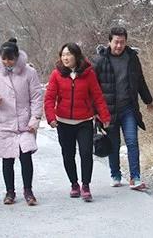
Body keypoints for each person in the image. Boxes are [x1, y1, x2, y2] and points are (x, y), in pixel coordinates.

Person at [44, 43, 111, 202]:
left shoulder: (89, 74)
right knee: (68, 154)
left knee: (86, 153)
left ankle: (86, 185)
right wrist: (51, 117)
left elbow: (97, 96)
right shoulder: (56, 74)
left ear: (76, 56)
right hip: (63, 122)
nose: (65, 58)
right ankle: (74, 184)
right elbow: (49, 98)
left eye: (69, 54)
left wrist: (104, 116)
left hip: (84, 121)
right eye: (63, 55)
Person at [93, 26, 153, 191]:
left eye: (122, 42)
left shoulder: (132, 58)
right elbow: (93, 88)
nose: (119, 45)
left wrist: (148, 100)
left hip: (128, 108)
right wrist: (94, 111)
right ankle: (115, 175)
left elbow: (140, 80)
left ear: (126, 42)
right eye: (116, 42)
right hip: (108, 110)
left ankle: (135, 177)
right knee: (114, 143)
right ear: (109, 42)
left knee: (132, 141)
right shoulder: (100, 60)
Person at [0, 38, 43, 206]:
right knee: (7, 159)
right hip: (4, 121)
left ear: (17, 57)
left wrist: (35, 118)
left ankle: (28, 190)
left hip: (25, 122)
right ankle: (9, 191)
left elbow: (36, 97)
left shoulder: (29, 72)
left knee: (26, 157)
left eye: (10, 59)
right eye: (4, 59)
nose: (7, 62)